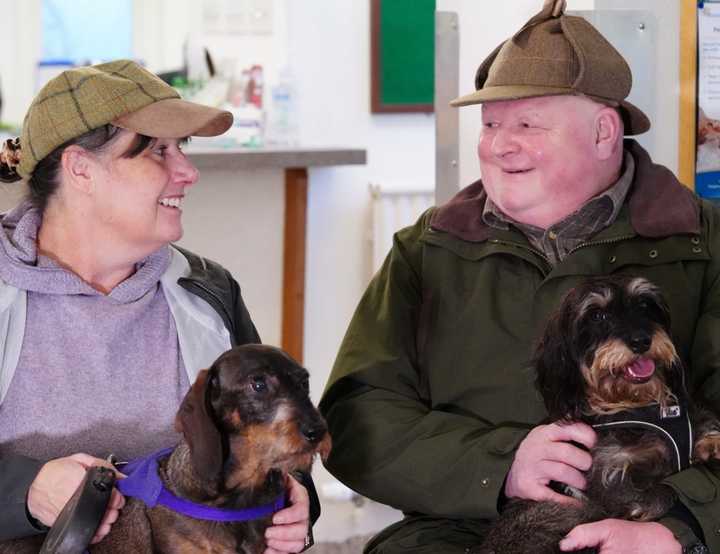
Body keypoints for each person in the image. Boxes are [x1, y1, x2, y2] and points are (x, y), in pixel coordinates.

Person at [320, 1, 719, 553]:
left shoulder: (705, 243)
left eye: (527, 125)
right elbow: (356, 419)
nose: (498, 146)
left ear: (604, 131)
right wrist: (500, 466)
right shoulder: (427, 250)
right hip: (465, 525)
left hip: (657, 520)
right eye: (489, 125)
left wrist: (680, 527)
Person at [0, 60, 315, 554]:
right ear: (80, 168)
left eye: (182, 150)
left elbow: (262, 430)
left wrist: (297, 504)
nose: (188, 172)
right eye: (158, 152)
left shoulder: (207, 290)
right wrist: (25, 490)